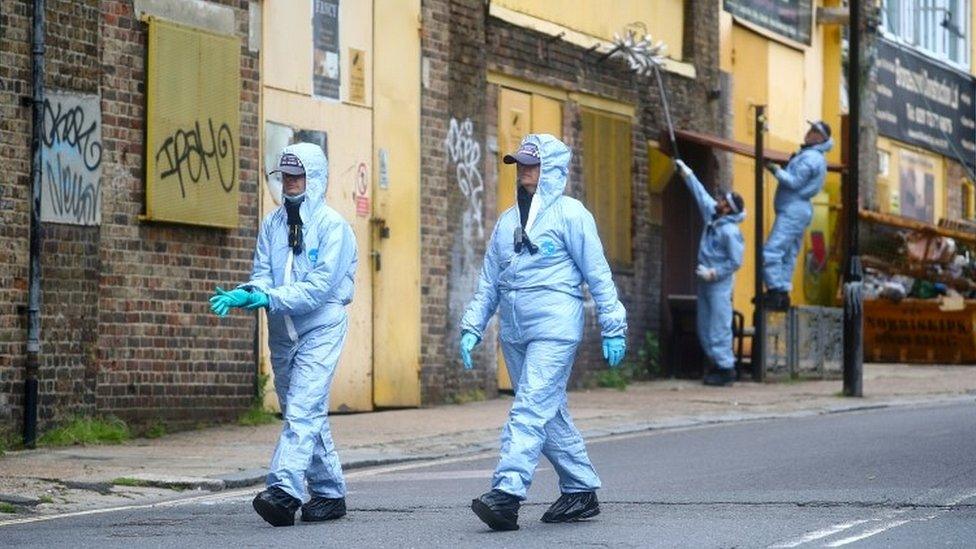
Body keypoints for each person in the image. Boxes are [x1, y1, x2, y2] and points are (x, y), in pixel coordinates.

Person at [459, 134, 628, 531]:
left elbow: (597, 273)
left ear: (551, 170)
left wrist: (613, 325)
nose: (524, 173)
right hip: (515, 330)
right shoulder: (506, 222)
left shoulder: (571, 214)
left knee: (529, 407)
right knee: (546, 410)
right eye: (520, 165)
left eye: (532, 166)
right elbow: (489, 282)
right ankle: (580, 488)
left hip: (555, 325)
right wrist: (472, 325)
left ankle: (507, 493)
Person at [209, 143, 358, 527]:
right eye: (285, 176)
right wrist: (249, 290)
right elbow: (263, 272)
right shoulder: (273, 224)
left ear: (316, 178)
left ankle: (283, 490)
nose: (290, 183)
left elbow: (318, 289)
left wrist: (267, 296)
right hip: (282, 331)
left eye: (297, 176)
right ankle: (328, 494)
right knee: (302, 412)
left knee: (303, 409)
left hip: (320, 326)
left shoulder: (333, 227)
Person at [675, 160, 745, 387]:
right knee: (704, 324)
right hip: (704, 281)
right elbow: (700, 194)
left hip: (719, 283)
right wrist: (687, 173)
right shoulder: (713, 216)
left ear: (729, 209)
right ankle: (714, 364)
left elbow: (736, 261)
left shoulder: (730, 232)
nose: (719, 201)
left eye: (724, 201)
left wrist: (714, 273)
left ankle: (725, 368)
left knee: (719, 324)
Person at [761, 120, 834, 310]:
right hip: (798, 209)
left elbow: (793, 182)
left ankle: (775, 291)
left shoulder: (811, 158)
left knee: (771, 251)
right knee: (788, 254)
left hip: (793, 209)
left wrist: (774, 169)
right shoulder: (812, 156)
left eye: (813, 131)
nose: (808, 132)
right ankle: (782, 293)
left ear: (819, 137)